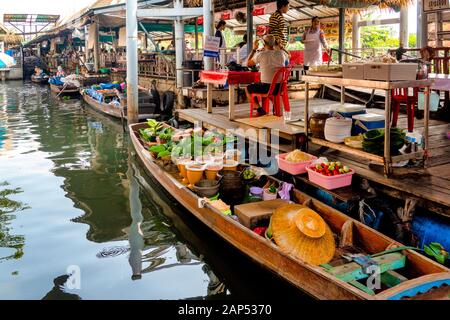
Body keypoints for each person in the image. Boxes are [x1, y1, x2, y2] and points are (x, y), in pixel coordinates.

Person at [245, 35, 289, 116]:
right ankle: (274, 108)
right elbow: (289, 55)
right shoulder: (282, 53)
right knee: (261, 84)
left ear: (263, 43)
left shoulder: (261, 54)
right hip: (280, 87)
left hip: (267, 88)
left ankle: (259, 108)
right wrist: (281, 47)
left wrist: (254, 49)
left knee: (248, 88)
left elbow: (248, 63)